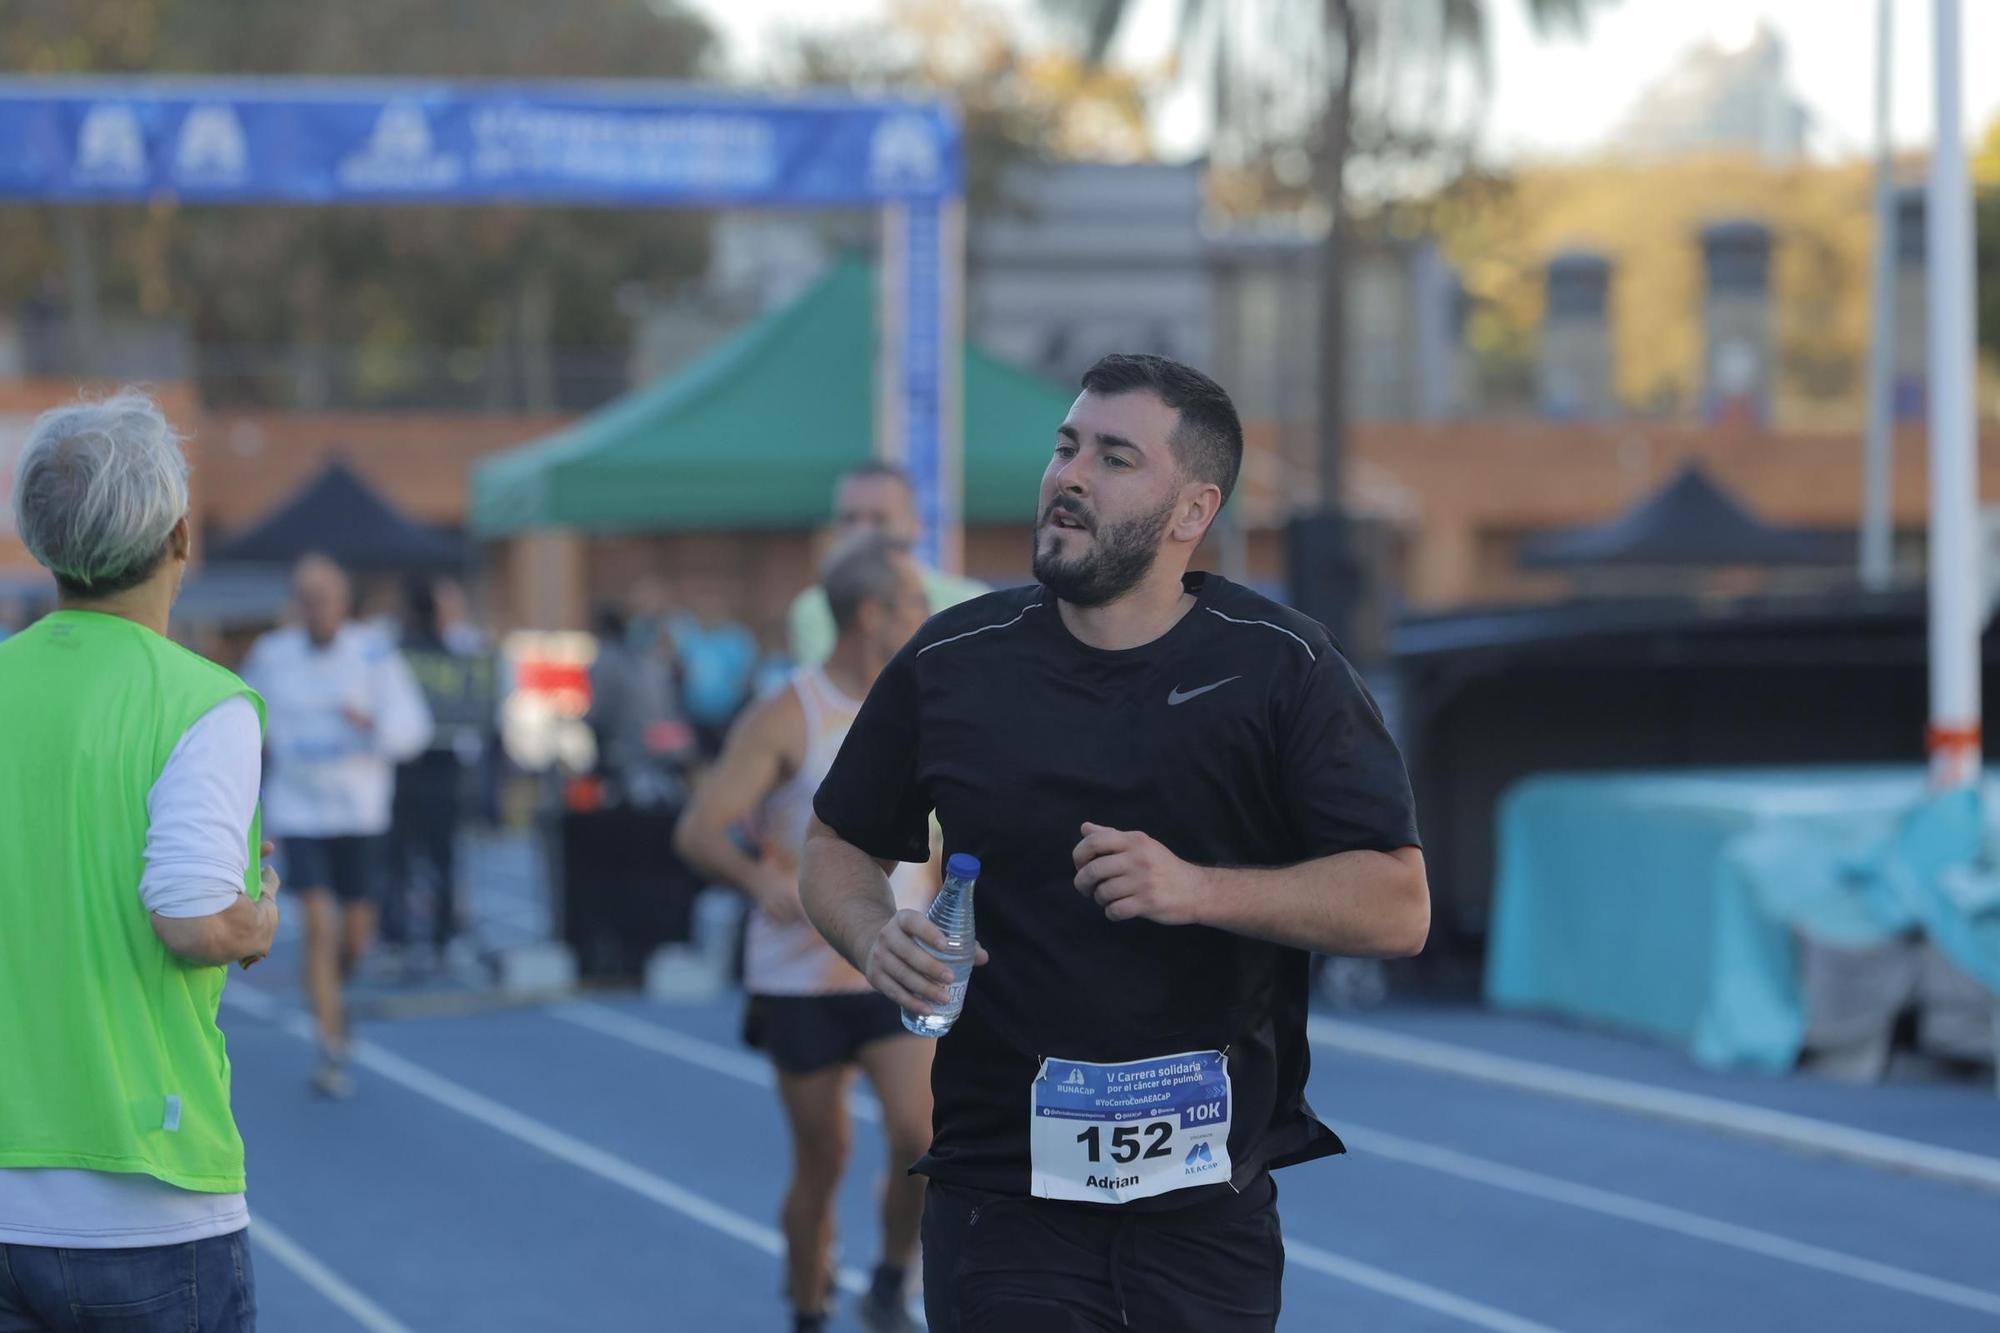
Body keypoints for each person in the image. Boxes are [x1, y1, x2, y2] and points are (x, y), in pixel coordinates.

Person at [802, 354, 1429, 1333]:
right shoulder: (951, 661)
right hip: (1001, 1192)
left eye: (1113, 456)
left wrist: (1199, 891)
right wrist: (872, 932)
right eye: (1065, 447)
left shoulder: (1281, 668)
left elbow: (1398, 902)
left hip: (1203, 1205)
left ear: (1190, 511)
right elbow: (835, 842)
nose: (1070, 474)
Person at [0, 392, 276, 1331]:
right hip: (147, 1195)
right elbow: (194, 916)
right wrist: (257, 916)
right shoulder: (202, 702)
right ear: (179, 536)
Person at [677, 534, 938, 1333]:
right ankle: (807, 1305)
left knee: (922, 1137)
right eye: (917, 604)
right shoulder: (789, 714)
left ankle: (892, 1276)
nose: (929, 617)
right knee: (822, 1160)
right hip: (801, 977)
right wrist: (763, 882)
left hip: (901, 963)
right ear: (872, 615)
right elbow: (699, 828)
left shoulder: (927, 701)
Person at [242, 554, 432, 1098]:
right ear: (294, 604)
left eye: (324, 597)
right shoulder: (271, 656)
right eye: (305, 598)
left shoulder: (374, 652)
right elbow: (243, 719)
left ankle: (334, 1000)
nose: (315, 609)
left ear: (344, 602)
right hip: (300, 812)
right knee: (319, 926)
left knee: (354, 936)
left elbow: (412, 728)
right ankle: (330, 1042)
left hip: (361, 812)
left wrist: (372, 725)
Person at [385, 578, 496, 973]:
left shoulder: (408, 654)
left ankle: (416, 937)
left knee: (414, 858)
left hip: (426, 769)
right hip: (425, 770)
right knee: (427, 858)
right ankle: (425, 937)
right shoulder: (403, 654)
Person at [785, 461, 987, 667]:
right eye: (850, 519)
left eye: (879, 519)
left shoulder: (971, 603)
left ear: (916, 525)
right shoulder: (813, 609)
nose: (862, 532)